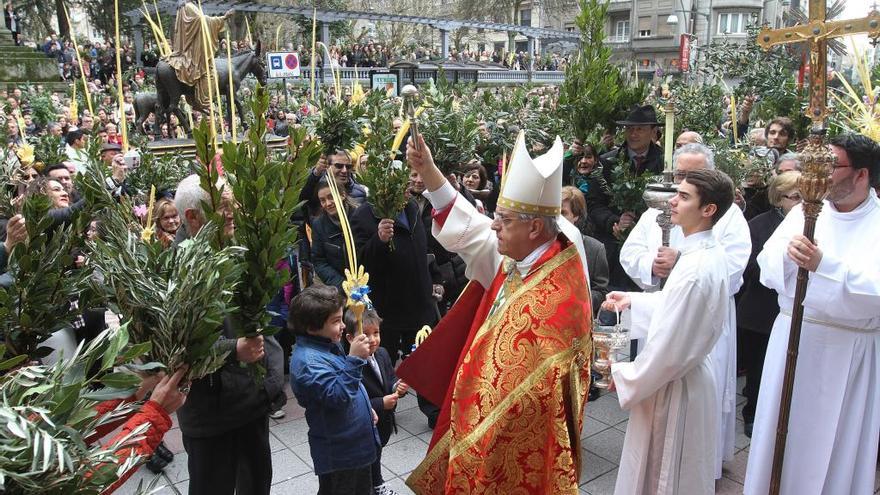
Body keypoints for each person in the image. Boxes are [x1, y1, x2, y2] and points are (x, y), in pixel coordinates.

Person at [397, 131, 592, 494]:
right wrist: (429, 171)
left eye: (504, 219)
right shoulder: (520, 254)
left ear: (534, 227)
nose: (493, 225)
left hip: (515, 440)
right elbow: (469, 226)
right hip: (478, 421)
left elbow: (538, 392)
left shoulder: (559, 292)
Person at [744, 133, 880, 495]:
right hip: (792, 334)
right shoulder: (805, 211)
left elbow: (876, 291)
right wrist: (788, 258)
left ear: (862, 174)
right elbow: (766, 265)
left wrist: (824, 265)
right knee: (780, 433)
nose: (814, 178)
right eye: (812, 168)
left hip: (848, 349)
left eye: (828, 167)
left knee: (834, 441)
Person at [618, 143, 750, 479]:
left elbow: (670, 350)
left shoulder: (695, 266)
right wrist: (635, 300)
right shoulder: (701, 252)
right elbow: (674, 305)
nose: (673, 200)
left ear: (708, 209)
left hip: (675, 382)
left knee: (665, 471)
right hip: (684, 373)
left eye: (685, 195)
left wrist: (623, 377)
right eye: (678, 185)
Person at [172, 174, 285, 495]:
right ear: (192, 217)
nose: (233, 210)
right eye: (223, 205)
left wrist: (271, 381)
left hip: (251, 400)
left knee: (257, 482)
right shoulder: (174, 270)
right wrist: (232, 350)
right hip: (210, 414)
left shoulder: (238, 251)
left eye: (232, 202)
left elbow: (261, 321)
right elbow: (178, 349)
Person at [288, 285, 380, 495]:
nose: (342, 326)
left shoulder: (326, 344)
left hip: (354, 446)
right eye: (335, 321)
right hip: (341, 454)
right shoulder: (308, 363)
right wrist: (355, 359)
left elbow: (346, 385)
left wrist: (366, 408)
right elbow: (338, 396)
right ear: (312, 327)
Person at [736, 171, 801, 437]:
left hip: (792, 309)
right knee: (759, 367)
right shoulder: (760, 225)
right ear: (778, 199)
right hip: (761, 310)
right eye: (794, 197)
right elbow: (748, 266)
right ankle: (752, 413)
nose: (800, 202)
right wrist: (779, 264)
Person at [593, 105, 665, 289]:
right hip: (613, 248)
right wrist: (614, 223)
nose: (633, 134)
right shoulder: (608, 162)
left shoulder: (665, 164)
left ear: (653, 132)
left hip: (650, 245)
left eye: (639, 129)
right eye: (629, 129)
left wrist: (640, 223)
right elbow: (594, 203)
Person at [342, 308, 409, 495]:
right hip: (367, 425)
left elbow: (389, 379)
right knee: (368, 458)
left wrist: (398, 387)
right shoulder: (351, 365)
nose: (372, 339)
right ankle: (374, 485)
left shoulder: (383, 354)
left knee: (377, 454)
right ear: (350, 338)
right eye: (365, 334)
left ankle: (376, 482)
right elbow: (352, 402)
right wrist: (381, 403)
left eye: (376, 333)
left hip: (384, 422)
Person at [164, 1, 235, 112]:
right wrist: (223, 17)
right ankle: (204, 102)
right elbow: (202, 21)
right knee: (210, 72)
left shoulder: (185, 6)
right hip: (193, 51)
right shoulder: (189, 6)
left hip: (190, 46)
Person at [561, 185, 608, 312]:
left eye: (563, 213)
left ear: (576, 216)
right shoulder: (541, 245)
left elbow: (600, 291)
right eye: (554, 213)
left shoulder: (595, 249)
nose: (557, 219)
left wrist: (575, 301)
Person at [310, 179, 353, 290]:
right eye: (322, 200)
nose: (328, 203)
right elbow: (319, 261)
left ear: (343, 195)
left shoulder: (359, 216)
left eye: (331, 197)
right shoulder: (319, 224)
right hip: (338, 286)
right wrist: (343, 285)